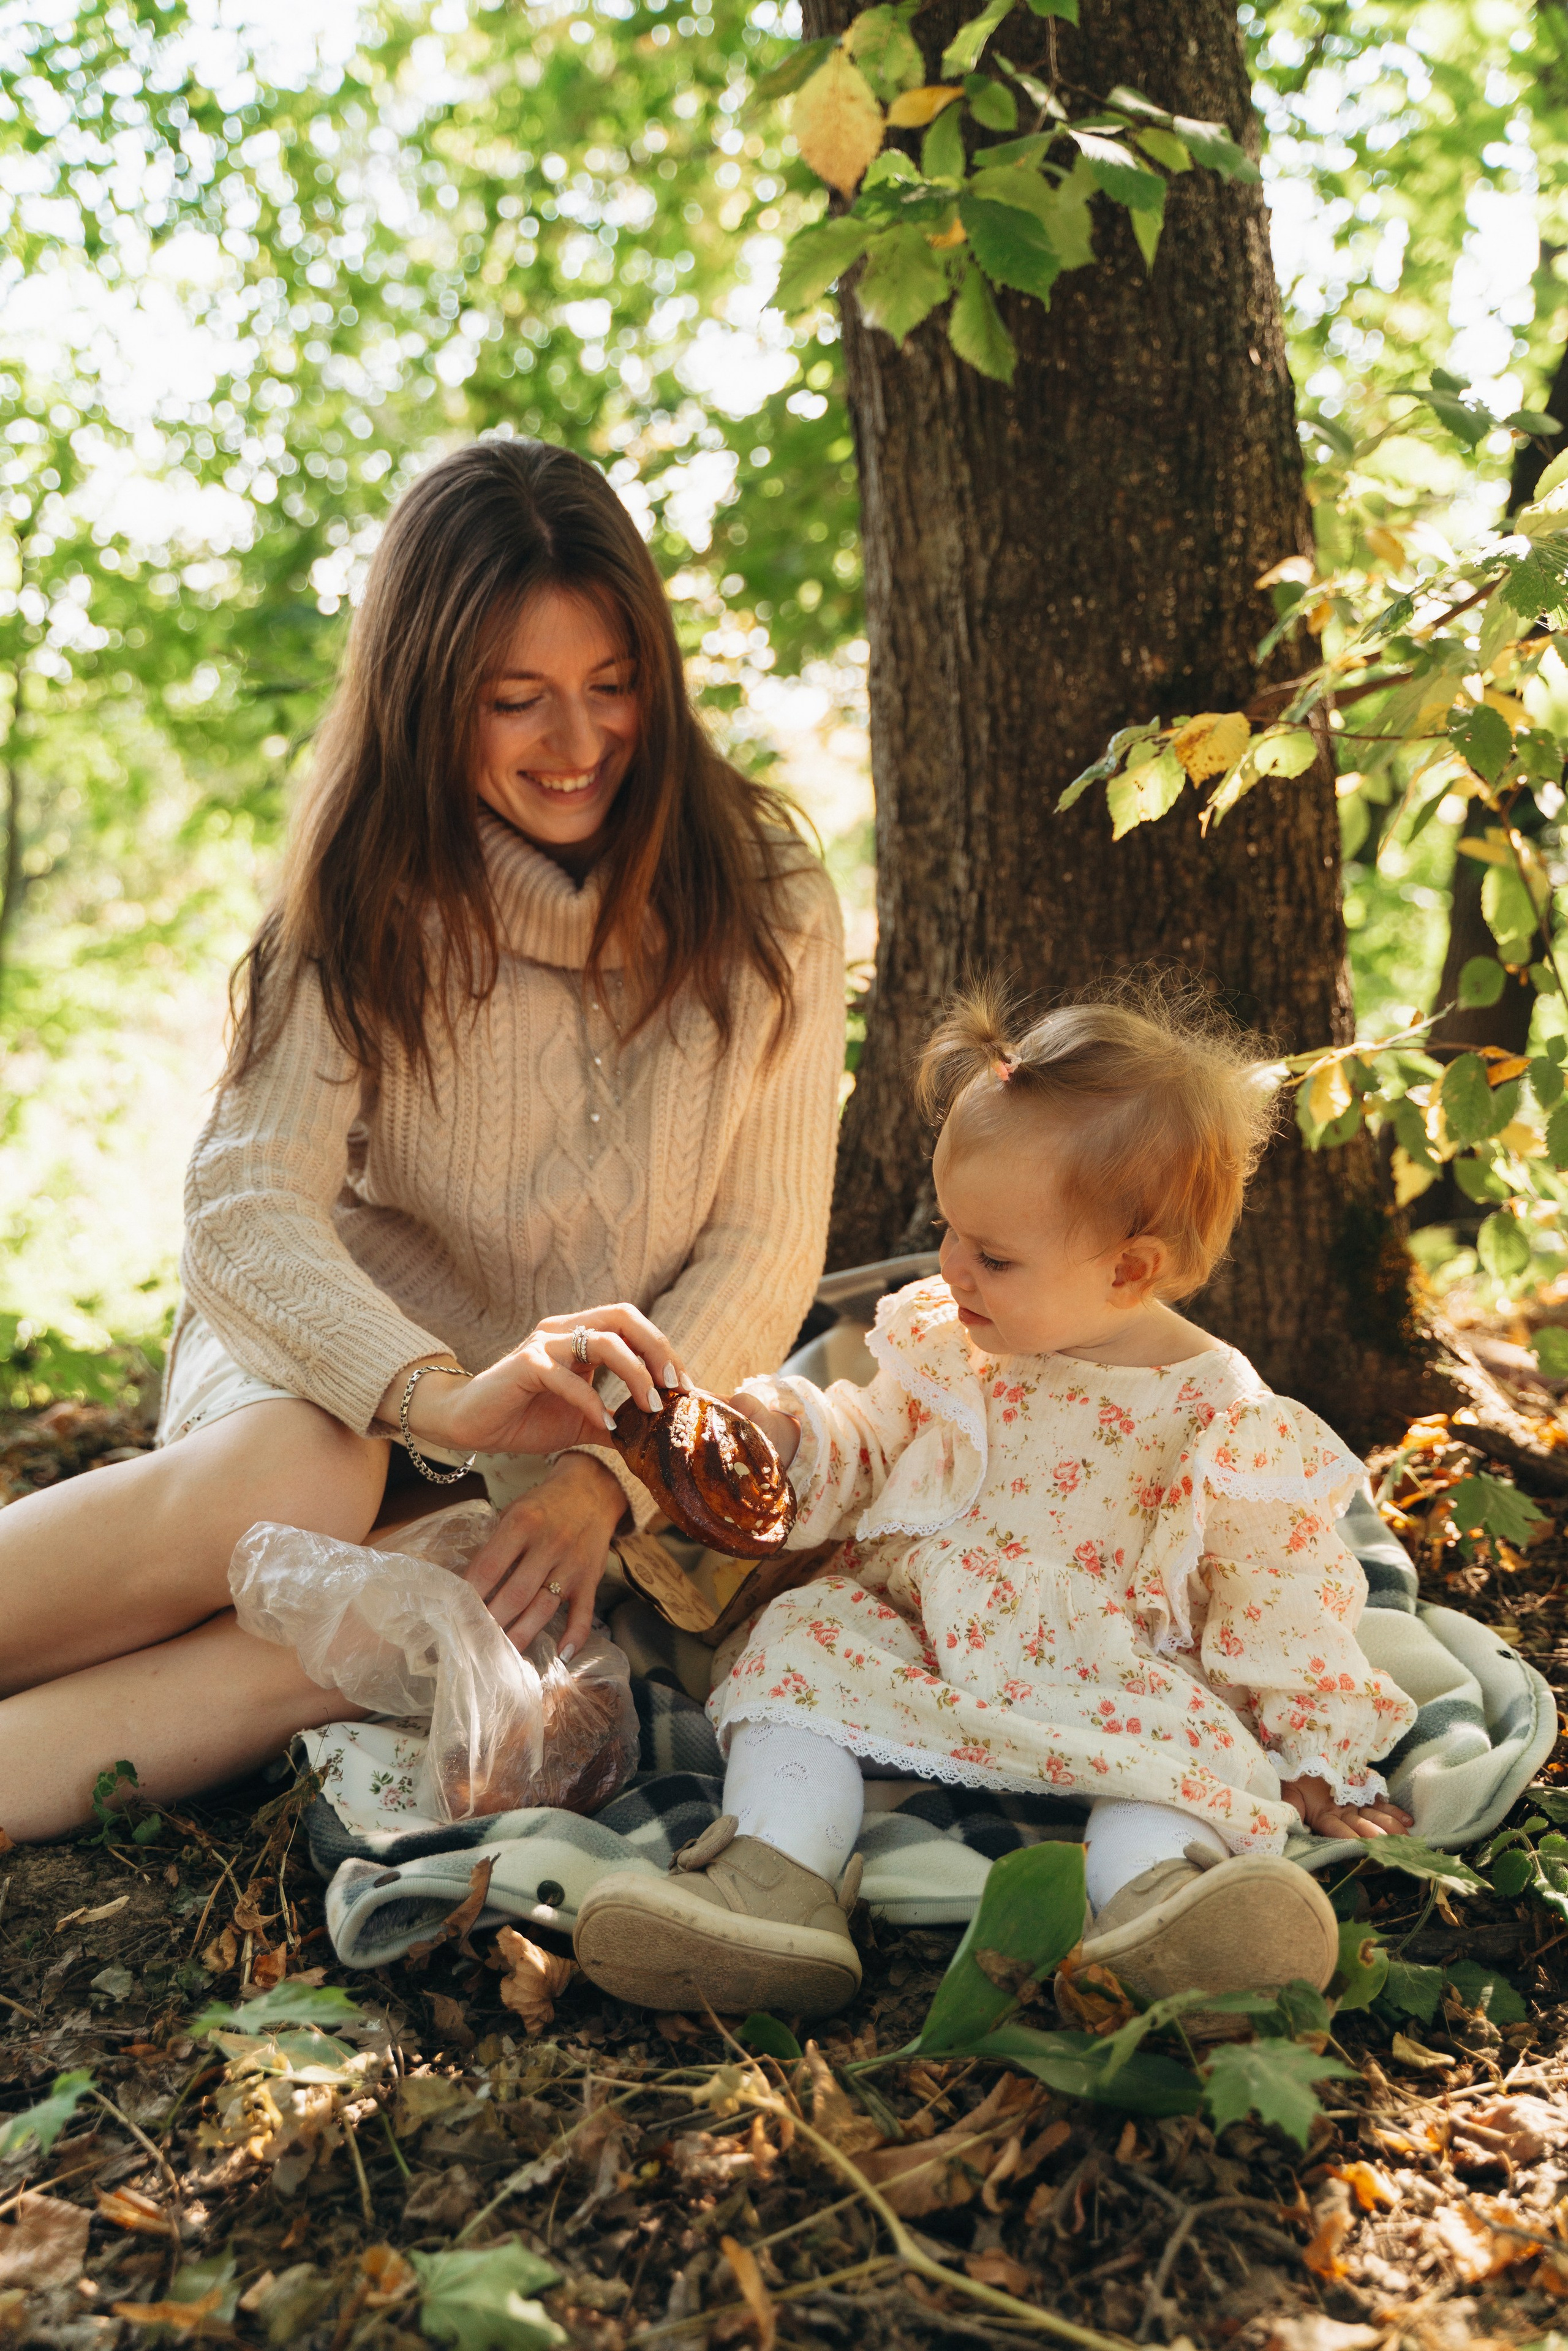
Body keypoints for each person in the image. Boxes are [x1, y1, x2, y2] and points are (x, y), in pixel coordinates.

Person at [0, 439, 843, 1843]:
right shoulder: (369, 894)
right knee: (307, 1486)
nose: (576, 746)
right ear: (428, 700)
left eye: (611, 685)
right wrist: (434, 1395)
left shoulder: (770, 904)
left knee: (436, 1601)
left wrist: (604, 1480)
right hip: (333, 1377)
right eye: (516, 701)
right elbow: (244, 1203)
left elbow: (762, 1248)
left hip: (579, 1459)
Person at [572, 980, 1419, 2018]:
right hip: (921, 1631)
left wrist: (1317, 1750)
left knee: (1186, 1759)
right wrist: (790, 1435)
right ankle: (775, 1875)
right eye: (951, 1231)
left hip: (1111, 1668)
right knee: (800, 1658)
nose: (950, 1266)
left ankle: (1161, 1909)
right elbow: (874, 1448)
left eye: (994, 1254)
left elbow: (1274, 1589)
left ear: (1132, 1267)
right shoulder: (950, 1339)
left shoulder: (1218, 1411)